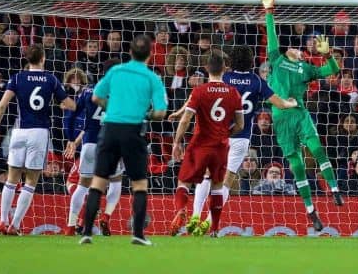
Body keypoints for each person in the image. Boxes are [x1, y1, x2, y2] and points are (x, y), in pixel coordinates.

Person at [169, 45, 297, 235]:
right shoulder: (257, 81)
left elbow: (196, 97)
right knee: (226, 181)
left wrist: (179, 112)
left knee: (206, 175)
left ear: (230, 63)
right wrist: (291, 103)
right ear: (251, 62)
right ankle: (209, 222)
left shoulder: (224, 78)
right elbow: (279, 103)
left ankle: (195, 215)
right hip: (241, 137)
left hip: (217, 135)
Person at [261, 0, 343, 232]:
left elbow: (332, 71)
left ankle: (335, 190)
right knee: (296, 166)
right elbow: (271, 35)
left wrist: (327, 55)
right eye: (296, 49)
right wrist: (268, 11)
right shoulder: (276, 59)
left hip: (300, 113)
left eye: (302, 50)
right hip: (280, 117)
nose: (299, 50)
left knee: (317, 149)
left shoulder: (307, 69)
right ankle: (311, 212)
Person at [79, 35, 167, 246]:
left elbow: (96, 97)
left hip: (109, 129)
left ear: (129, 52)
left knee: (99, 180)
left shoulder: (115, 71)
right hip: (133, 130)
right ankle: (137, 234)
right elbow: (161, 112)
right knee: (139, 184)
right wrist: (146, 115)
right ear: (150, 54)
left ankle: (86, 233)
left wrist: (113, 108)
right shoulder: (152, 77)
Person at [0, 44, 76, 235]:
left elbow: (2, 105)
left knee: (12, 179)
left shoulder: (17, 78)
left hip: (20, 131)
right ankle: (14, 225)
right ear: (43, 58)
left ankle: (2, 221)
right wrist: (70, 102)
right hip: (39, 133)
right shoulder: (51, 80)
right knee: (30, 182)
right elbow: (70, 105)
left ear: (27, 59)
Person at [169, 51, 244, 237]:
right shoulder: (234, 93)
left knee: (184, 182)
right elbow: (240, 125)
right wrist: (225, 134)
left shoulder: (199, 91)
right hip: (220, 146)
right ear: (225, 69)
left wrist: (176, 142)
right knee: (218, 186)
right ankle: (215, 229)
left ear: (206, 68)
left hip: (199, 145)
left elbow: (186, 119)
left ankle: (181, 210)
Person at [63, 60, 124, 236]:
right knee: (116, 180)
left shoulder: (88, 91)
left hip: (89, 143)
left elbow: (72, 115)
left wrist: (70, 138)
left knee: (82, 185)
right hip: (111, 143)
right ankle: (106, 216)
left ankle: (70, 226)